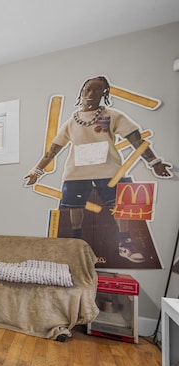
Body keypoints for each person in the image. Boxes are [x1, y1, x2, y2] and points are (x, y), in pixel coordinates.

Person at [24, 76, 172, 262]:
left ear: (104, 93)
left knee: (118, 205)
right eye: (88, 89)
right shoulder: (72, 121)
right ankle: (76, 240)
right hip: (76, 172)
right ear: (82, 92)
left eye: (97, 90)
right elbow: (52, 151)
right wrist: (36, 172)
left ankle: (124, 242)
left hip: (108, 170)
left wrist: (155, 163)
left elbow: (136, 140)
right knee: (74, 206)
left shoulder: (113, 115)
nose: (92, 93)